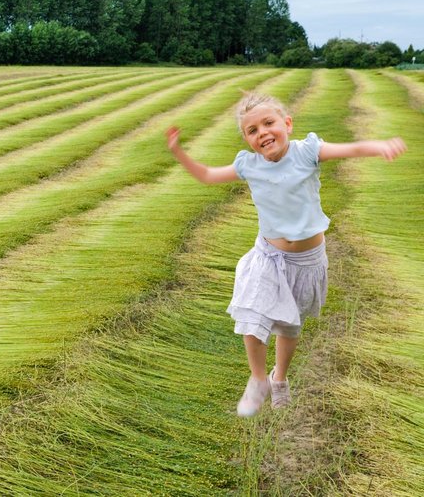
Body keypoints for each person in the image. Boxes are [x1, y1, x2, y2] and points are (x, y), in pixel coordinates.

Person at [165, 92, 406, 417]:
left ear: (287, 124)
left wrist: (378, 146)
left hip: (306, 262)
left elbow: (351, 149)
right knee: (252, 317)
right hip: (268, 255)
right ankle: (259, 379)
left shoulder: (307, 152)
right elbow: (207, 175)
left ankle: (280, 378)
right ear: (248, 140)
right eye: (252, 130)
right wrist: (179, 152)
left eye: (269, 123)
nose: (262, 132)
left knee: (288, 328)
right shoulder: (249, 165)